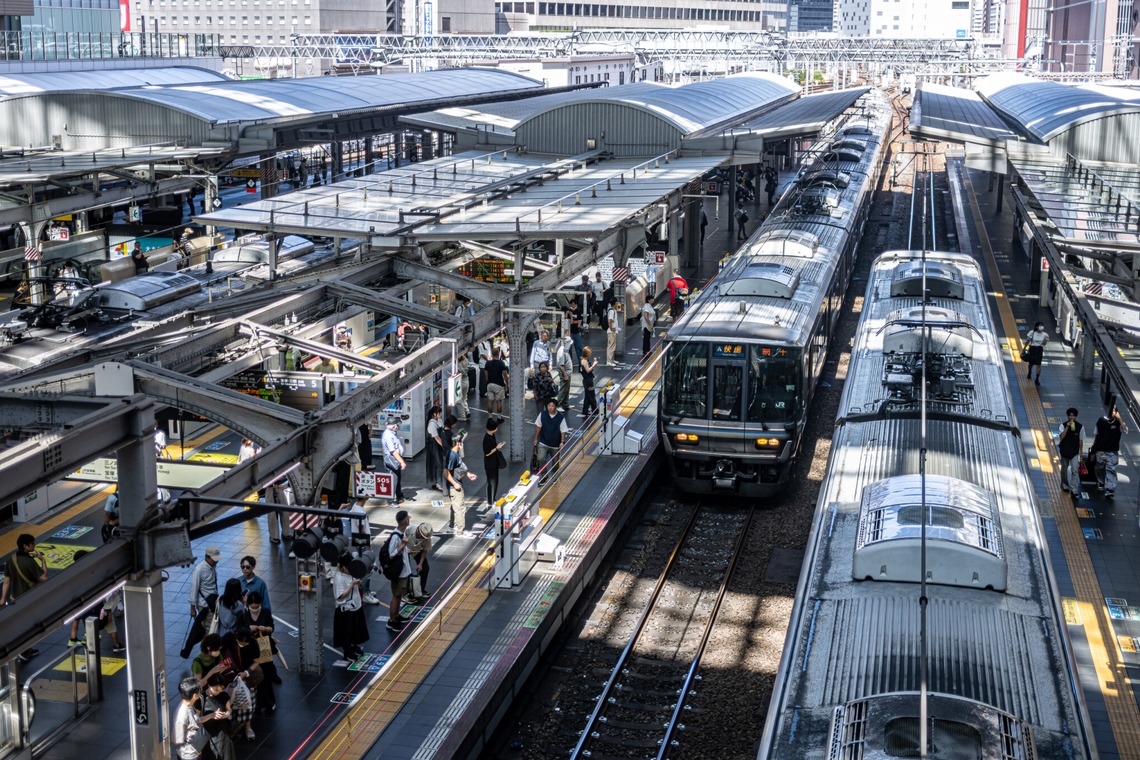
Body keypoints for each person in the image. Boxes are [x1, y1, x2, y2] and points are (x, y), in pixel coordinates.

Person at [1, 534, 49, 660]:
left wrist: (2, 599)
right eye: (32, 543)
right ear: (25, 546)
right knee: (27, 627)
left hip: (14, 598)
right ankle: (23, 650)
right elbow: (44, 578)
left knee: (19, 625)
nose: (34, 545)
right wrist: (42, 560)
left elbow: (6, 581)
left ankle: (26, 649)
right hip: (28, 598)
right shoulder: (29, 562)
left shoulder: (11, 559)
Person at [180, 546, 221, 659]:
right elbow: (194, 588)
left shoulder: (212, 567)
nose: (216, 561)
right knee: (209, 629)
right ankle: (207, 653)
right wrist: (192, 608)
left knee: (209, 628)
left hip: (212, 603)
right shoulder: (199, 569)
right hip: (204, 606)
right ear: (207, 557)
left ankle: (208, 651)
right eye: (214, 559)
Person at [331, 552, 368, 660]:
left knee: (355, 628)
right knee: (347, 631)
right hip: (345, 608)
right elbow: (340, 596)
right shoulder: (338, 577)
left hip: (356, 604)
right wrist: (352, 585)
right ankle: (347, 651)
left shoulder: (351, 572)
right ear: (343, 567)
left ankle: (353, 645)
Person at [385, 510, 415, 632]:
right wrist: (403, 545)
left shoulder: (401, 534)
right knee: (396, 596)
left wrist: (405, 549)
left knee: (400, 595)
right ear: (406, 521)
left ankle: (397, 616)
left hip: (404, 571)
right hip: (399, 573)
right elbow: (391, 555)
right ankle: (391, 621)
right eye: (408, 518)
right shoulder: (396, 536)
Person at [444, 434, 478, 535]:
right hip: (455, 485)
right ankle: (460, 530)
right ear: (457, 443)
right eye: (461, 443)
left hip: (457, 483)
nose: (462, 445)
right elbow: (446, 472)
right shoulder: (452, 455)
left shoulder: (455, 453)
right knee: (460, 508)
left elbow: (460, 466)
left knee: (454, 506)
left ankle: (452, 525)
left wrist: (468, 474)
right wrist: (455, 484)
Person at [1091, 406, 1127, 498]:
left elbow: (1125, 430)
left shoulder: (1119, 422)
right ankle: (1101, 482)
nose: (1113, 412)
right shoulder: (1101, 420)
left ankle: (1110, 489)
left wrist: (1120, 419)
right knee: (1100, 466)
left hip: (1112, 451)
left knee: (1111, 469)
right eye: (1112, 410)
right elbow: (1096, 434)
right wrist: (1094, 449)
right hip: (1101, 451)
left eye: (1115, 411)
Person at [200, 673, 236, 760]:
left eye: (220, 690)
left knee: (225, 753)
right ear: (209, 685)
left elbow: (228, 709)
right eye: (216, 689)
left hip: (222, 731)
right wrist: (211, 716)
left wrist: (227, 714)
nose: (218, 692)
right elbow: (197, 719)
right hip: (209, 733)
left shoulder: (223, 695)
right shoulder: (201, 698)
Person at [173, 676, 210, 759]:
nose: (201, 691)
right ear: (195, 695)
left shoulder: (189, 706)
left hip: (194, 751)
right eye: (200, 690)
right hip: (188, 755)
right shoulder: (182, 714)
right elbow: (177, 739)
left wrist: (211, 715)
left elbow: (197, 720)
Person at [533, 398, 569, 482]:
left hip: (555, 444)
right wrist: (536, 439)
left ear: (555, 407)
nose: (550, 407)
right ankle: (544, 475)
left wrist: (562, 441)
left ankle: (554, 474)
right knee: (540, 458)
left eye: (552, 406)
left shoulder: (560, 417)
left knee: (555, 462)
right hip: (543, 442)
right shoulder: (542, 415)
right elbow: (538, 426)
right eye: (549, 405)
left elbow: (563, 430)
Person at [1058, 407, 1086, 494]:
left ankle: (1073, 488)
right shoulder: (1062, 425)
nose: (1071, 417)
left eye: (1073, 416)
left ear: (1076, 416)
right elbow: (1061, 437)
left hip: (1074, 452)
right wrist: (1067, 427)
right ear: (1067, 416)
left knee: (1075, 470)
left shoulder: (1080, 427)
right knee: (1064, 469)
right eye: (1070, 416)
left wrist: (1081, 452)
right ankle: (1065, 485)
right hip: (1064, 451)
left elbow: (1081, 440)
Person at [404, 522, 434, 604]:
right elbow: (399, 539)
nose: (422, 538)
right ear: (418, 531)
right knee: (406, 570)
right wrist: (404, 548)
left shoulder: (427, 537)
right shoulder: (409, 529)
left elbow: (424, 550)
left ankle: (420, 590)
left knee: (425, 568)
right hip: (404, 548)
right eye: (421, 536)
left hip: (416, 550)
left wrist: (420, 564)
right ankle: (406, 593)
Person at [381, 417, 407, 506]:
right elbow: (393, 451)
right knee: (393, 480)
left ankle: (399, 496)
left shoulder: (392, 433)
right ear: (393, 426)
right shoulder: (388, 435)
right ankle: (390, 501)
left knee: (397, 479)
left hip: (395, 459)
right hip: (392, 459)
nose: (398, 426)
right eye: (396, 424)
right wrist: (402, 462)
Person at [483, 418, 506, 507]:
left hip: (493, 462)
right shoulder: (487, 439)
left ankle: (492, 498)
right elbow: (487, 452)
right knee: (491, 482)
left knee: (495, 481)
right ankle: (490, 500)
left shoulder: (492, 435)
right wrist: (497, 448)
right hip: (490, 463)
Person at [266, 478, 294, 546]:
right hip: (270, 487)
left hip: (278, 486)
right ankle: (275, 536)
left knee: (285, 511)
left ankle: (286, 532)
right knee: (272, 514)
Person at [485, 348, 509, 421]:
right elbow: (505, 375)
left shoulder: (487, 363)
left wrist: (488, 382)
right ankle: (499, 417)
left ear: (492, 354)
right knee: (499, 401)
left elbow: (486, 374)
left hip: (490, 384)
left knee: (490, 401)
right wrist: (507, 384)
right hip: (499, 384)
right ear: (498, 354)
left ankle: (490, 417)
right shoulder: (501, 363)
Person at [426, 405, 445, 491]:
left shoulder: (439, 421)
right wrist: (444, 445)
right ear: (435, 414)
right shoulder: (432, 424)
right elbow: (436, 437)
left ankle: (438, 482)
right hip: (434, 446)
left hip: (438, 445)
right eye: (439, 413)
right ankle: (438, 483)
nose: (441, 414)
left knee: (439, 464)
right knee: (438, 464)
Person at [554, 337, 574, 412]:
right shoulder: (563, 352)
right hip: (565, 374)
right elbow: (561, 365)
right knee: (563, 389)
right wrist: (565, 375)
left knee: (566, 389)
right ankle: (558, 405)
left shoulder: (564, 350)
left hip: (567, 373)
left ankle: (565, 403)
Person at [581, 346, 599, 416]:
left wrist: (593, 362)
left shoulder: (585, 360)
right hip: (588, 381)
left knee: (588, 395)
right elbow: (588, 370)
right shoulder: (584, 361)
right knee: (591, 395)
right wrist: (594, 365)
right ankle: (595, 410)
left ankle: (585, 410)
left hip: (588, 380)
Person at [455, 354, 471, 421]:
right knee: (464, 398)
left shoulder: (457, 363)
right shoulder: (466, 360)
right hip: (466, 381)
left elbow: (458, 371)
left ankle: (462, 416)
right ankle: (467, 410)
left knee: (458, 399)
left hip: (460, 382)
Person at [606, 300, 622, 366]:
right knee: (611, 346)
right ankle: (609, 361)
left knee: (613, 346)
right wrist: (611, 328)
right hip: (611, 332)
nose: (618, 303)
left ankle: (612, 359)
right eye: (617, 302)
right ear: (614, 303)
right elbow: (609, 320)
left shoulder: (614, 310)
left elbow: (620, 310)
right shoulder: (611, 311)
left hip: (614, 331)